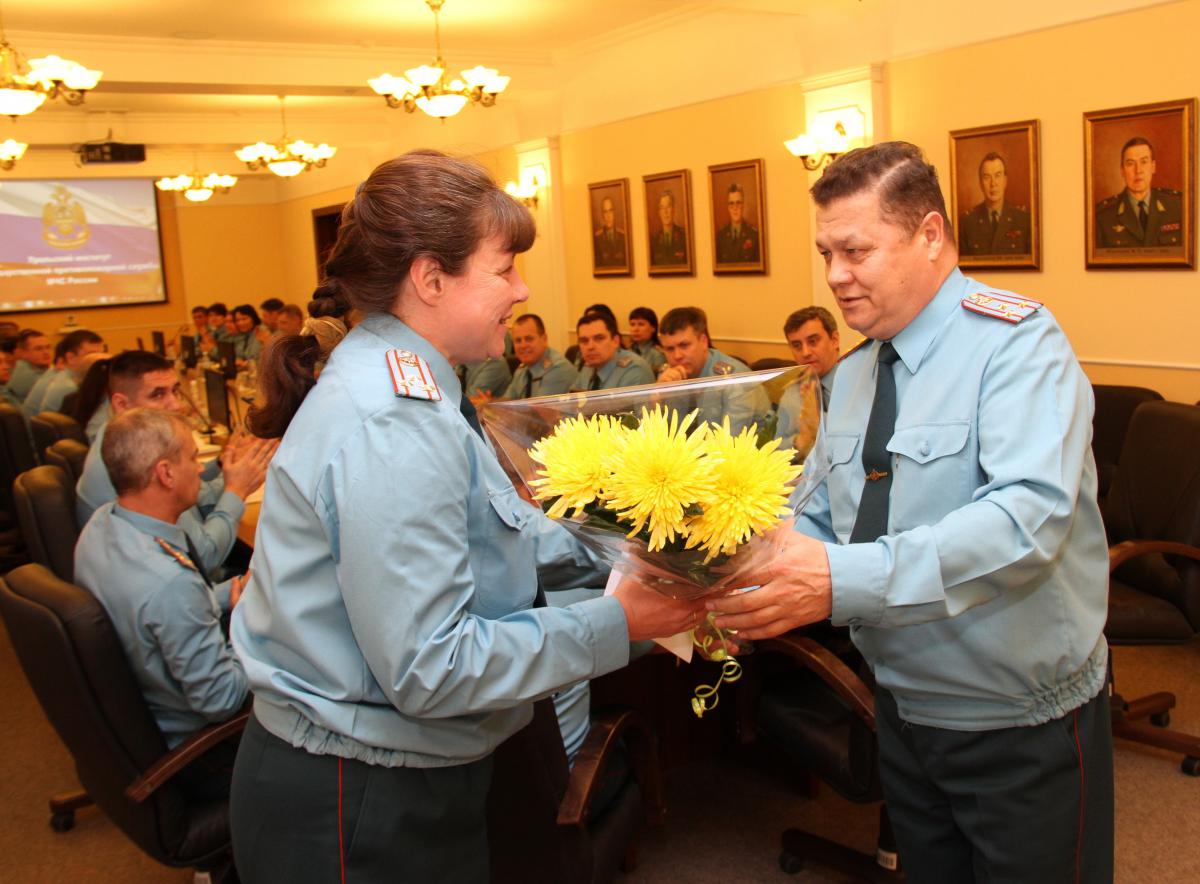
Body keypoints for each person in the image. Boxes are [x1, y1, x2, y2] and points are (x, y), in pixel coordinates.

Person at [228, 150, 702, 883]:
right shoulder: (395, 420)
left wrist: (647, 548)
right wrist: (621, 622)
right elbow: (433, 667)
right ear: (430, 277)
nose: (523, 289)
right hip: (358, 797)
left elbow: (504, 530)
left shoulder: (417, 384)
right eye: (505, 267)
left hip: (391, 771)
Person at [710, 141, 1113, 882]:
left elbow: (1028, 519)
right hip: (900, 703)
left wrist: (837, 580)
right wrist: (730, 580)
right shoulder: (856, 372)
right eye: (826, 252)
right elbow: (826, 515)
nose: (835, 275)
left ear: (930, 236)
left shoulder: (1017, 345)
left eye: (856, 250)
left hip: (1018, 716)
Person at [74, 407, 250, 751]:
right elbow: (223, 699)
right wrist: (260, 626)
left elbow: (151, 612)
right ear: (166, 473)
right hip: (201, 749)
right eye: (193, 457)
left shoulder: (102, 523)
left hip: (143, 712)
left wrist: (228, 592)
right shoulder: (170, 582)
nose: (201, 467)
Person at [75, 350, 272, 577]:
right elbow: (205, 556)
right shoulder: (133, 459)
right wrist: (237, 490)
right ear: (121, 404)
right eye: (158, 395)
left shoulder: (121, 437)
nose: (176, 405)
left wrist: (223, 464)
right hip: (185, 584)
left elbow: (199, 498)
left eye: (175, 391)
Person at [656, 306, 768, 433]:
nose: (677, 356)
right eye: (670, 349)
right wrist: (657, 398)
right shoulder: (670, 376)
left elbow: (731, 441)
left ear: (703, 341)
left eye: (684, 345)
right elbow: (664, 435)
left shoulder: (735, 378)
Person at [1095, 136, 1184, 248]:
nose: (1138, 171)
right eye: (1130, 163)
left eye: (1144, 162)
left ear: (1153, 167)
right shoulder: (1103, 217)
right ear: (1122, 170)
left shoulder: (1177, 207)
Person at [777, 306, 840, 459]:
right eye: (797, 345)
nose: (805, 352)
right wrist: (800, 441)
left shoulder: (858, 382)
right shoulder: (792, 392)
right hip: (802, 479)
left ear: (834, 340)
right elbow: (775, 448)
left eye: (813, 341)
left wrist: (817, 422)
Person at [958, 152, 1031, 255]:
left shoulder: (1024, 220)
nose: (993, 184)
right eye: (987, 177)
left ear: (1005, 180)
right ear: (980, 183)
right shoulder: (967, 223)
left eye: (998, 176)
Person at [23, 329, 105, 416]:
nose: (101, 360)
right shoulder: (70, 387)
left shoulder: (59, 375)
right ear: (71, 358)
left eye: (102, 354)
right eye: (92, 355)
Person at [571, 311, 654, 391]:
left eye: (599, 338)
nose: (590, 347)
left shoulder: (634, 370)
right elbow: (572, 402)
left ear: (615, 341)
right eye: (584, 340)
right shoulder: (588, 366)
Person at [501, 313, 576, 399]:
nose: (523, 345)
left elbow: (539, 410)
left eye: (529, 339)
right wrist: (488, 404)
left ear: (544, 339)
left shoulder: (558, 369)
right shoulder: (522, 370)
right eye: (518, 340)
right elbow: (507, 401)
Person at [714, 182, 761, 264]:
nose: (735, 208)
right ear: (728, 207)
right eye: (731, 203)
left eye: (738, 203)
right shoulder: (721, 236)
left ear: (743, 205)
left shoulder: (754, 235)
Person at [8, 329, 52, 401]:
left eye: (48, 347)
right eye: (38, 349)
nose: (46, 352)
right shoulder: (24, 373)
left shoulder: (38, 367)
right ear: (23, 353)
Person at [650, 189, 688, 266]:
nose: (665, 212)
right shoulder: (654, 239)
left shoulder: (684, 236)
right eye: (662, 208)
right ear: (659, 213)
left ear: (673, 210)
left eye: (668, 207)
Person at [627, 306, 667, 375]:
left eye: (641, 324)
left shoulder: (657, 354)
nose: (635, 329)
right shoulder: (628, 351)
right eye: (632, 324)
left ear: (653, 328)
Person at [592, 196, 628, 268]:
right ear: (602, 215)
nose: (608, 216)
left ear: (614, 213)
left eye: (610, 211)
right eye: (605, 212)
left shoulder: (623, 237)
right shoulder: (597, 239)